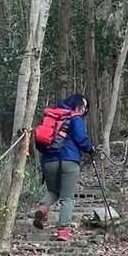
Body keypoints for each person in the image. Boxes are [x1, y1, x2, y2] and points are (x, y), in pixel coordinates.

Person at [33, 93, 94, 242]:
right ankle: (63, 230)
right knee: (67, 197)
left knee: (53, 191)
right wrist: (91, 149)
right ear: (77, 105)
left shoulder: (52, 116)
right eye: (83, 106)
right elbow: (81, 140)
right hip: (69, 161)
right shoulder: (75, 118)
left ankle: (43, 209)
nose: (84, 110)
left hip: (49, 161)